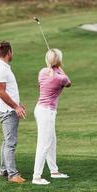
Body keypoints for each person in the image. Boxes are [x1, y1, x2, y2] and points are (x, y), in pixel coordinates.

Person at [32, 48, 71, 185]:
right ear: (59, 61)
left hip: (40, 109)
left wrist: (54, 67)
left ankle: (54, 171)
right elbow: (69, 83)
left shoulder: (42, 72)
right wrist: (59, 68)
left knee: (51, 141)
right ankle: (36, 176)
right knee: (44, 144)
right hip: (47, 112)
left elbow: (40, 85)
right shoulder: (61, 77)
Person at [0, 41, 27, 183]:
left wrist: (18, 104)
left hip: (9, 107)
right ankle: (12, 175)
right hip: (7, 111)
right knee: (10, 143)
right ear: (9, 52)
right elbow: (1, 92)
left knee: (6, 141)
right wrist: (16, 107)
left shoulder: (3, 67)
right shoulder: (0, 69)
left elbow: (8, 91)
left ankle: (4, 170)